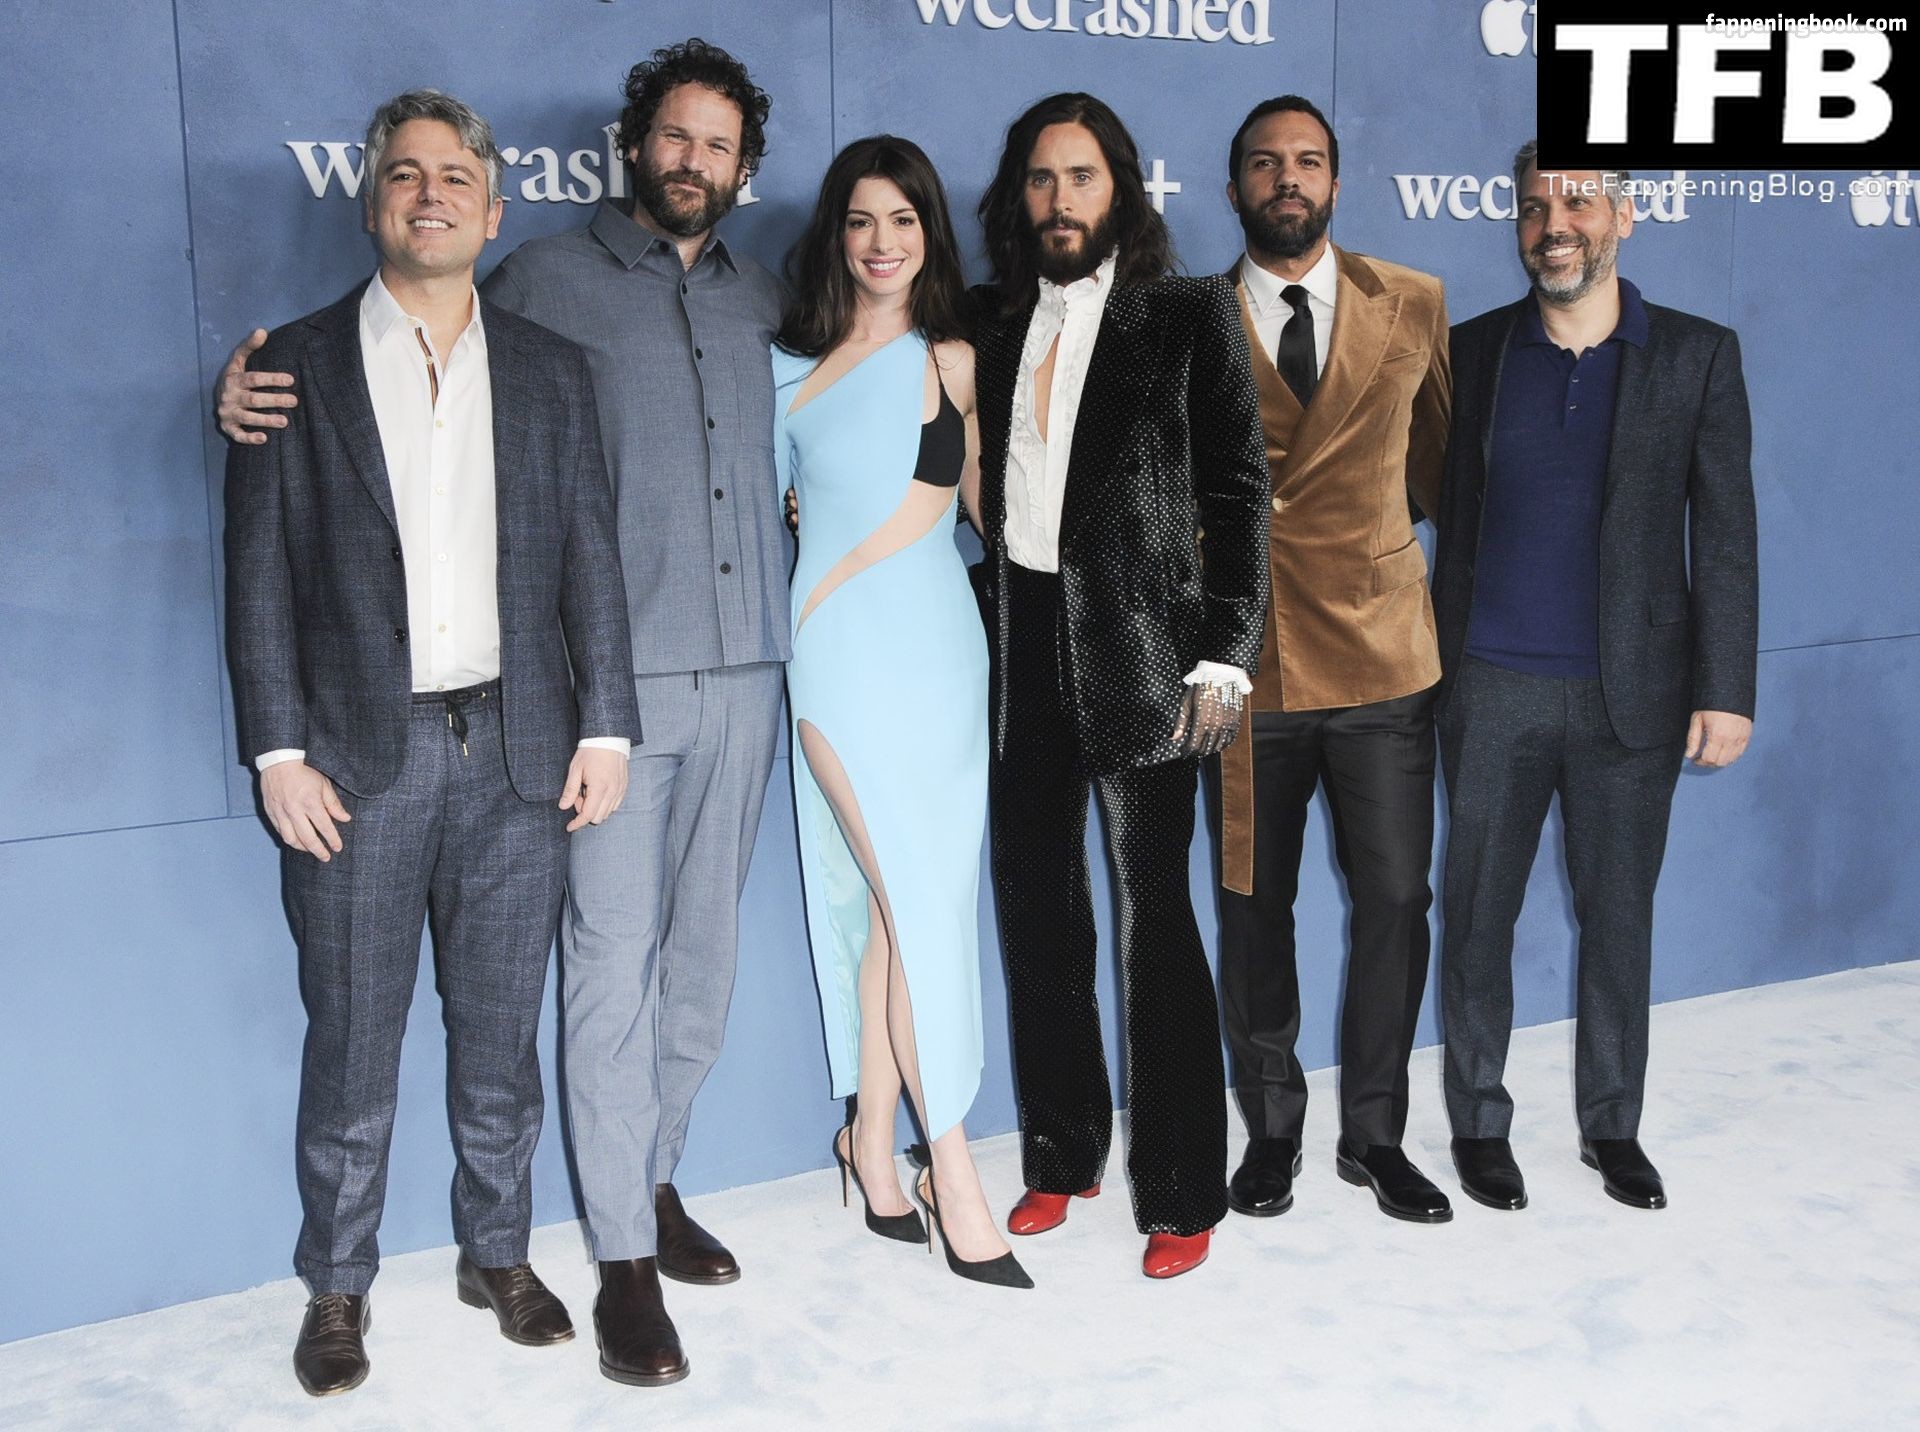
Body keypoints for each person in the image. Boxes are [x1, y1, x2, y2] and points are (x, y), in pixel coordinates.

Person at [216, 41, 786, 1385]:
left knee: (498, 1041)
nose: (431, 195)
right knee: (353, 1042)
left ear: (493, 208)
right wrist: (279, 751)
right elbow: (257, 573)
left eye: (455, 178)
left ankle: (498, 1254)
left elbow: (586, 555)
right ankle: (338, 1286)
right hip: (357, 762)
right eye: (405, 175)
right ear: (372, 201)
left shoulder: (544, 365)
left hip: (520, 753)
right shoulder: (294, 367)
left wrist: (601, 728)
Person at [972, 93, 1269, 1280]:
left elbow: (1240, 495)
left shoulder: (1189, 313)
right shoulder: (991, 319)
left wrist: (1228, 653)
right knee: (1038, 910)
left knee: (1155, 920)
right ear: (1020, 196)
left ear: (1121, 191)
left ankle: (1186, 1188)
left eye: (1082, 177)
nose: (1061, 201)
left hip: (1148, 654)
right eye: (1042, 179)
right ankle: (1063, 1152)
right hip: (1018, 647)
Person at [1431, 143, 1757, 1213]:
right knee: (1476, 920)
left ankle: (1612, 1127)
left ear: (1624, 214)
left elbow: (1727, 535)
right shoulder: (1471, 352)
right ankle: (1479, 1124)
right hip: (1489, 687)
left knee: (1619, 922)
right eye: (1535, 207)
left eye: (1578, 200)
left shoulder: (1697, 355)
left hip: (1636, 699)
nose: (1555, 224)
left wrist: (1726, 686)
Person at [773, 135, 1028, 1289]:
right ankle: (954, 1169)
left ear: (931, 234)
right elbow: (761, 513)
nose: (882, 242)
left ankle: (871, 1142)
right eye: (861, 220)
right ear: (837, 234)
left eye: (904, 220)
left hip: (945, 661)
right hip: (837, 657)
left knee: (901, 906)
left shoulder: (959, 360)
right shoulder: (784, 373)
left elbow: (990, 518)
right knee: (914, 907)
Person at [1209, 96, 1456, 1225]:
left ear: (1336, 184)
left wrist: (1375, 554)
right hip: (1246, 670)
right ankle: (1272, 1130)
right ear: (1235, 187)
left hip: (1383, 660)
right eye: (1266, 164)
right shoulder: (1190, 319)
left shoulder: (1413, 299)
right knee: (1255, 906)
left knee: (1397, 899)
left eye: (1307, 162)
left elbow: (1436, 463)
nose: (1288, 180)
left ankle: (1377, 1136)